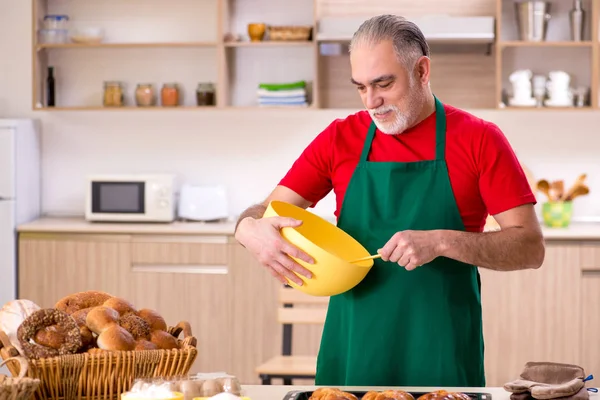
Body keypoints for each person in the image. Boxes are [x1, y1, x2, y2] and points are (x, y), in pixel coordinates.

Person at [234, 14, 545, 388]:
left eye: (383, 83)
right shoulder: (339, 139)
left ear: (422, 70)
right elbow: (266, 213)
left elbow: (530, 247)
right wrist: (248, 229)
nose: (372, 101)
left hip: (442, 349)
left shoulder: (480, 139)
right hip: (354, 347)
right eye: (361, 87)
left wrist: (443, 241)